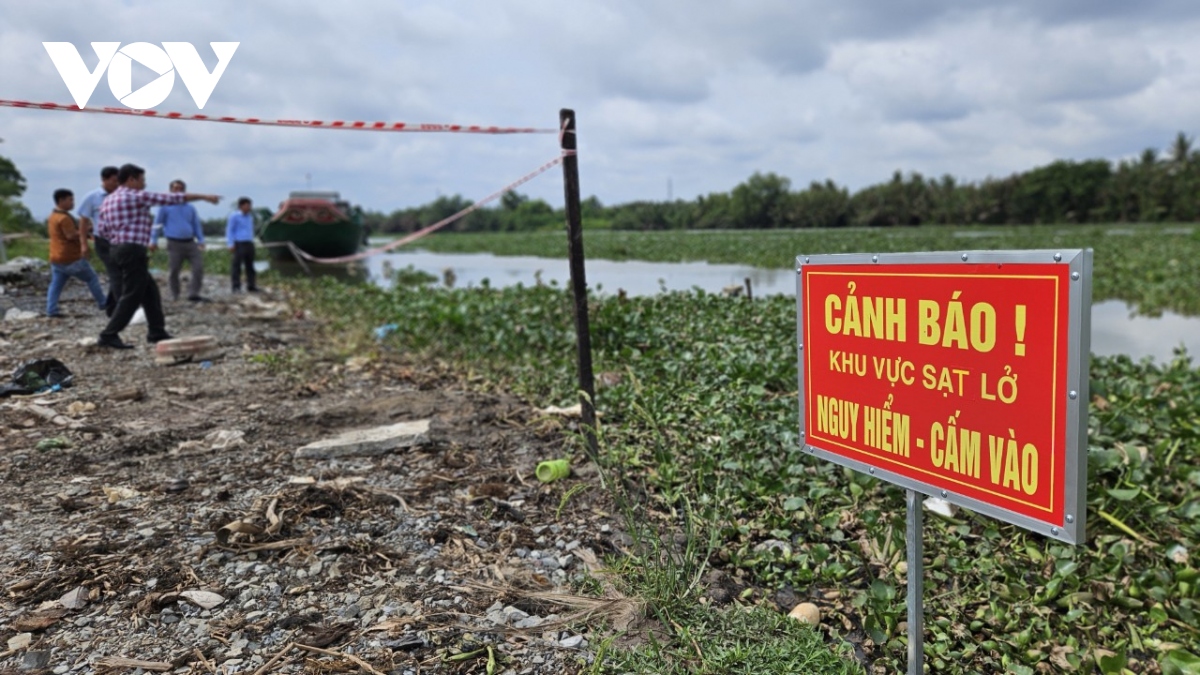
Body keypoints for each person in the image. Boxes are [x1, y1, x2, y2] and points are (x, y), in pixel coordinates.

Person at [96, 163, 220, 350]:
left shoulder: (108, 200)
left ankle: (156, 331)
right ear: (131, 179)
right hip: (132, 249)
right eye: (142, 180)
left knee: (150, 292)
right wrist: (204, 197)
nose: (144, 184)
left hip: (118, 248)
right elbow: (171, 198)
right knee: (132, 295)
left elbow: (103, 229)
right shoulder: (134, 195)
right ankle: (109, 334)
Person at [45, 189, 107, 318]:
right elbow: (71, 235)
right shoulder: (64, 218)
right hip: (71, 256)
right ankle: (103, 303)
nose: (73, 203)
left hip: (56, 257)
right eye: (70, 200)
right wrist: (87, 229)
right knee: (91, 278)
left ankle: (51, 310)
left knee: (56, 284)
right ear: (61, 201)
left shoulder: (52, 216)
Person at [153, 179, 209, 302]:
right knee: (174, 270)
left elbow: (196, 224)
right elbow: (157, 224)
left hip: (190, 242)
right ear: (170, 191)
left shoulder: (190, 207)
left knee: (198, 268)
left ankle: (193, 293)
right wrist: (153, 240)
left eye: (180, 189)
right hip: (174, 243)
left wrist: (201, 240)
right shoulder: (165, 207)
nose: (178, 191)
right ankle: (175, 295)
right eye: (175, 189)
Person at [78, 166, 120, 315]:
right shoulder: (92, 197)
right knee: (115, 274)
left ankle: (111, 305)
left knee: (121, 275)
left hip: (120, 241)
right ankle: (114, 310)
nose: (117, 184)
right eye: (114, 181)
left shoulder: (121, 196)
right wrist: (83, 244)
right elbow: (83, 222)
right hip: (103, 242)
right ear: (104, 180)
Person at [226, 197, 258, 293]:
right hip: (239, 242)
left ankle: (251, 285)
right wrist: (230, 243)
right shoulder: (234, 216)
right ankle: (236, 286)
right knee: (237, 265)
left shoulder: (250, 217)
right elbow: (230, 230)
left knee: (250, 265)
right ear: (241, 206)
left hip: (249, 242)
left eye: (250, 205)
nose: (249, 207)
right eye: (247, 205)